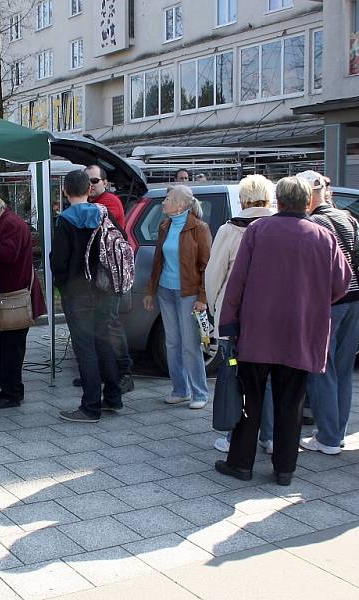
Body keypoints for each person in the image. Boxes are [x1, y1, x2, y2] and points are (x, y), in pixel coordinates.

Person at [216, 177, 351, 486]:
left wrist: (228, 323)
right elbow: (341, 284)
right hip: (301, 330)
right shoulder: (323, 236)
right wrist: (312, 300)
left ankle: (240, 464)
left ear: (278, 200)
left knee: (251, 398)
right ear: (307, 201)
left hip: (257, 330)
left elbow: (237, 282)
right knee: (291, 403)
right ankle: (284, 469)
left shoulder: (258, 231)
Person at [205, 175, 275, 454]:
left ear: (243, 199)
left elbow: (214, 275)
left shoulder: (230, 230)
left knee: (236, 377)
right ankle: (269, 437)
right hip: (271, 317)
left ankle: (236, 438)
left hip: (234, 317)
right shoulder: (279, 227)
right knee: (269, 378)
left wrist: (213, 308)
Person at [296, 170, 359, 455]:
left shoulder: (313, 223)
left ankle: (329, 437)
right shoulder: (348, 218)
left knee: (321, 369)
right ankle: (338, 431)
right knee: (343, 370)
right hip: (355, 300)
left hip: (330, 302)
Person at [51, 170, 121, 423]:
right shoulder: (104, 214)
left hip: (77, 292)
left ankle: (90, 406)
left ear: (65, 191)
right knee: (103, 340)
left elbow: (59, 261)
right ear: (89, 189)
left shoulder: (65, 221)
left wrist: (62, 285)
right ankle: (113, 396)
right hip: (104, 288)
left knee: (85, 347)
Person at [0, 190, 46, 409]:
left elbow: (7, 255)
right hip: (6, 297)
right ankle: (8, 389)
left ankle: (12, 394)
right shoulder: (7, 223)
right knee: (2, 346)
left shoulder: (12, 224)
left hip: (14, 297)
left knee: (11, 349)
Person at [144, 185, 212, 409]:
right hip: (165, 290)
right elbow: (157, 262)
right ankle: (180, 389)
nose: (164, 202)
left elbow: (206, 266)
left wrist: (202, 298)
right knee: (172, 343)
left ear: (181, 204)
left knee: (190, 345)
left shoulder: (199, 228)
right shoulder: (165, 226)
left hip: (188, 294)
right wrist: (150, 291)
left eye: (168, 199)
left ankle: (199, 392)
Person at [83, 163, 134, 394]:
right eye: (86, 181)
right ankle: (106, 373)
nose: (90, 185)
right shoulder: (92, 203)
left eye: (94, 181)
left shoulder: (109, 202)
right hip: (96, 276)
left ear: (105, 183)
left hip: (109, 275)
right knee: (100, 325)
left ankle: (124, 374)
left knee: (110, 325)